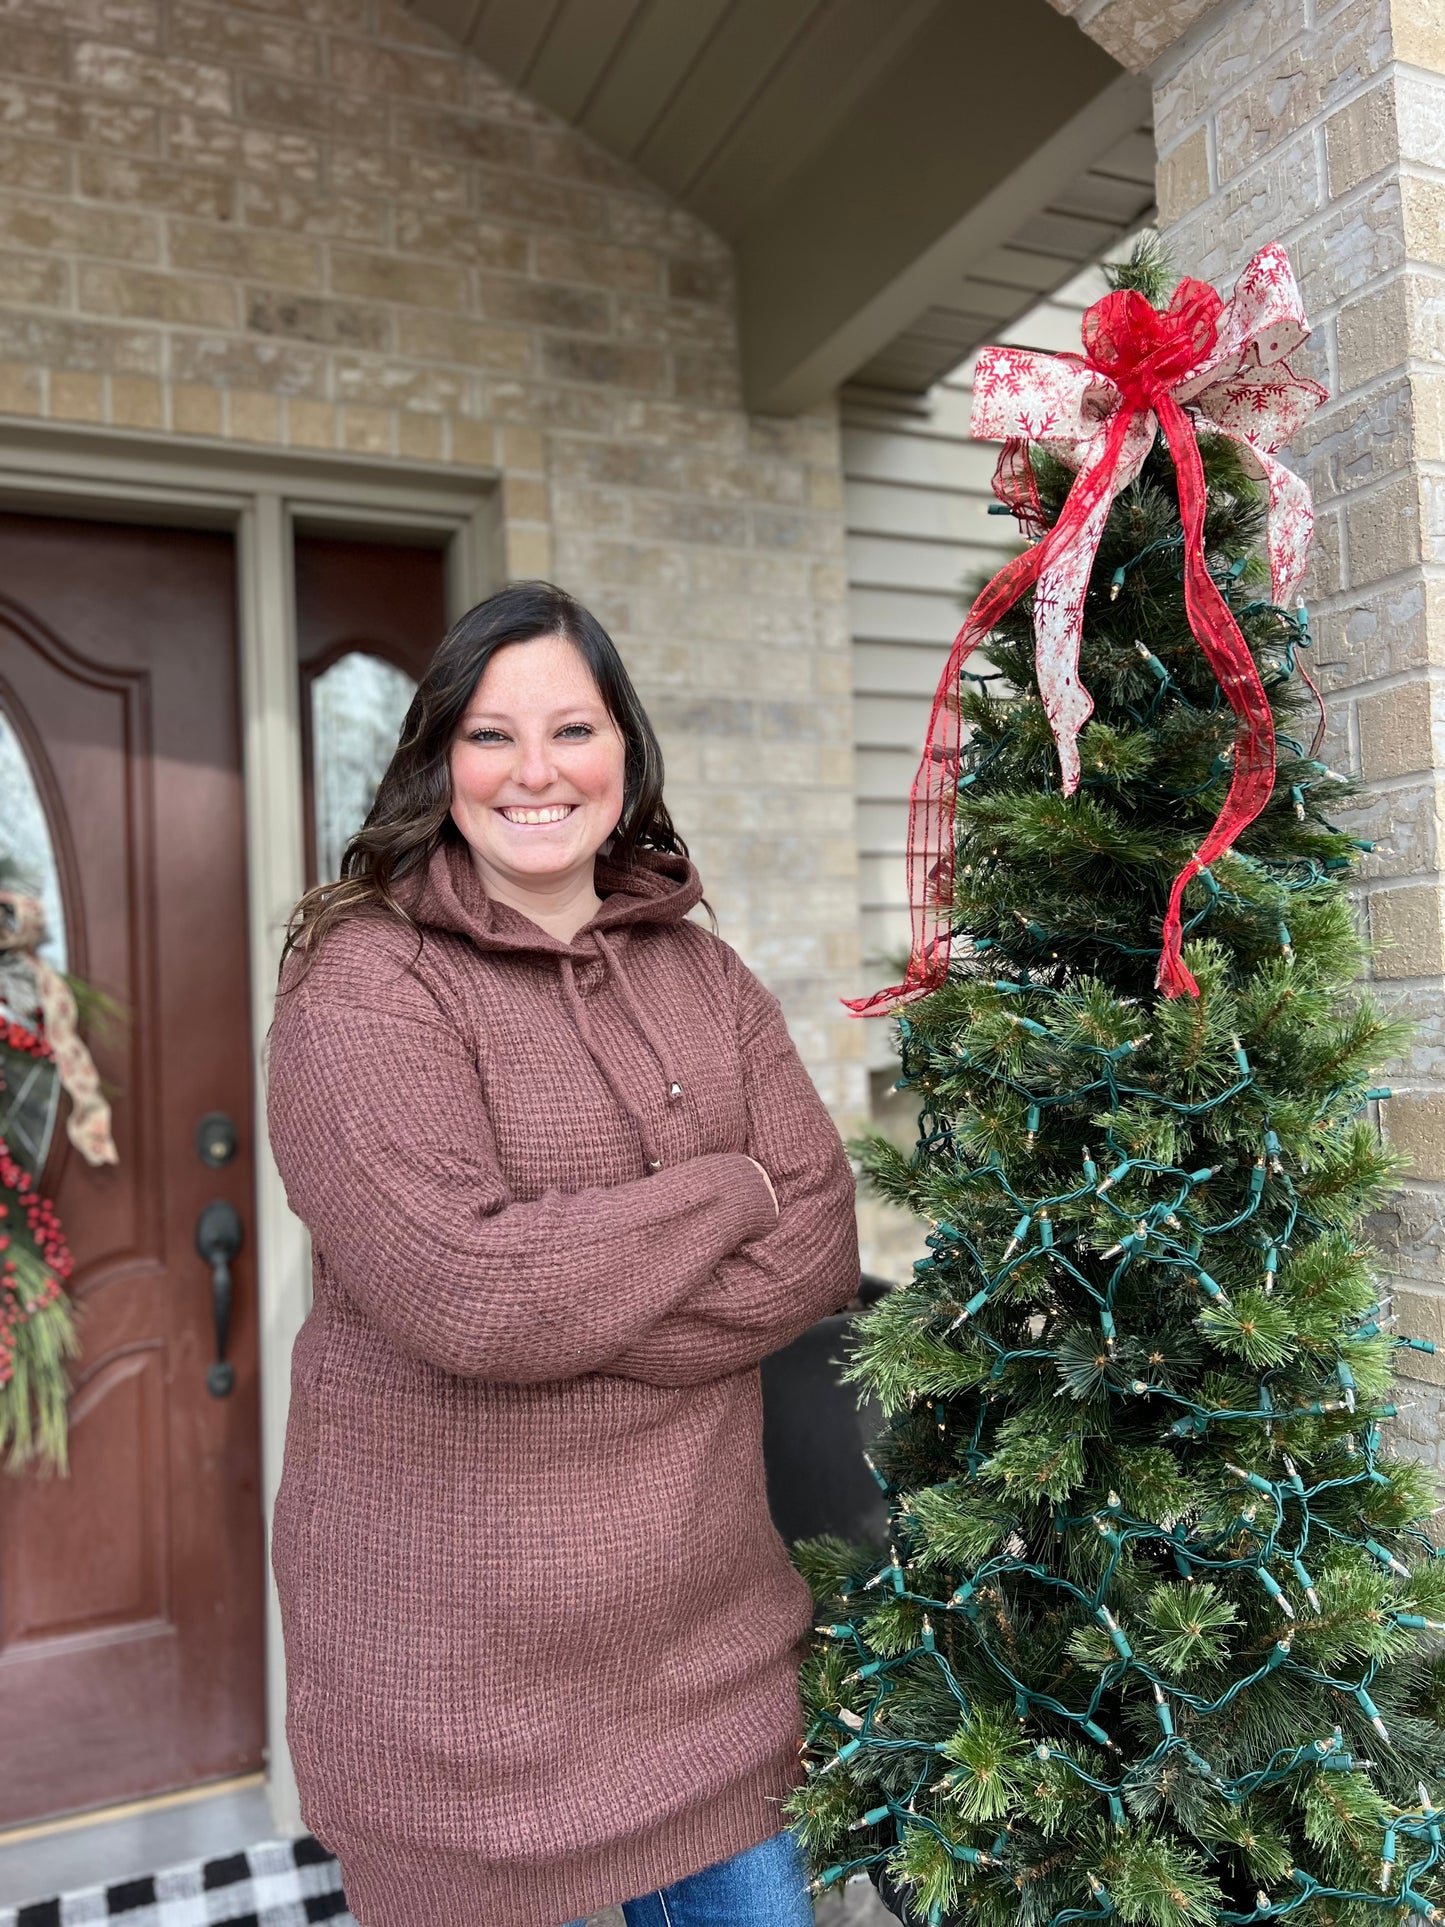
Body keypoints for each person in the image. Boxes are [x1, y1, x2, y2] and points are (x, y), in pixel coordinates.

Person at [266, 581, 860, 1927]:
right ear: (438, 762)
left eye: (572, 729)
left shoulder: (704, 979)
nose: (535, 771)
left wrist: (571, 1300)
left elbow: (819, 1238)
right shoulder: (365, 982)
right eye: (489, 735)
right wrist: (725, 1191)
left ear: (626, 759)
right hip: (457, 1703)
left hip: (707, 1671)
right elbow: (473, 1296)